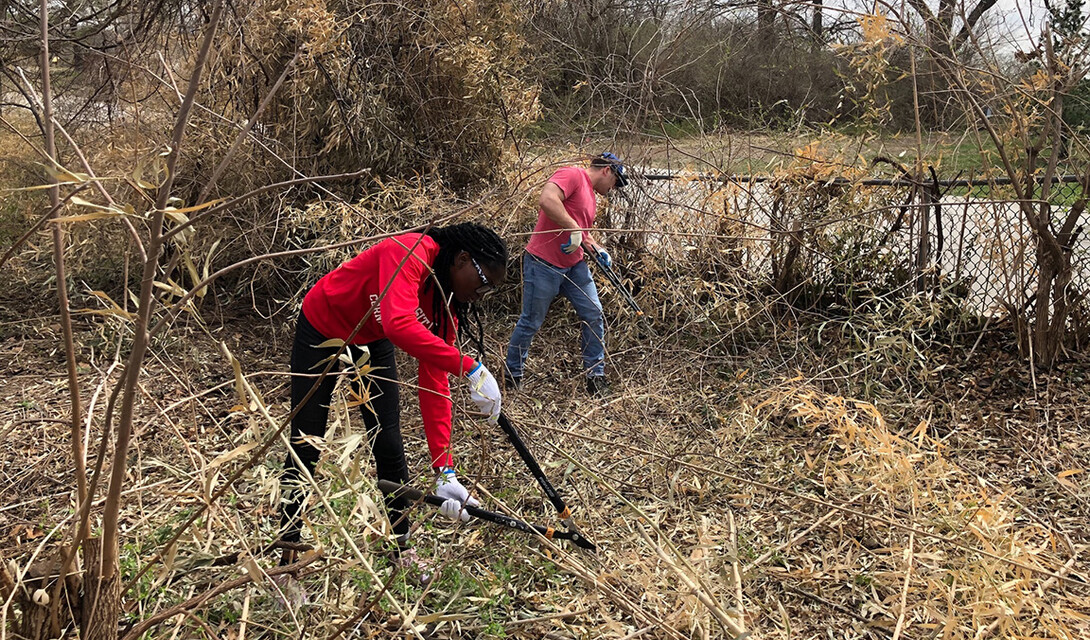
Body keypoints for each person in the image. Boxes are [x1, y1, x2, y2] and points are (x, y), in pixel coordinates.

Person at [278, 222, 508, 577]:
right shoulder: (408, 252)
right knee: (307, 443)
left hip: (369, 339)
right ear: (462, 259)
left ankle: (402, 548)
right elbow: (399, 325)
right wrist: (471, 367)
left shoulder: (444, 300)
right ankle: (286, 562)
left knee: (387, 441)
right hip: (322, 324)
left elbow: (434, 377)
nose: (482, 294)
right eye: (484, 283)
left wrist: (443, 468)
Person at [504, 152, 628, 396]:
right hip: (543, 264)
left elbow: (583, 233)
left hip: (575, 266)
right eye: (615, 181)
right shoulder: (573, 174)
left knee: (594, 313)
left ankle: (595, 376)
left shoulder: (591, 196)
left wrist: (598, 249)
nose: (614, 188)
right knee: (531, 321)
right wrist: (572, 227)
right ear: (607, 170)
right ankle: (512, 375)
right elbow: (547, 200)